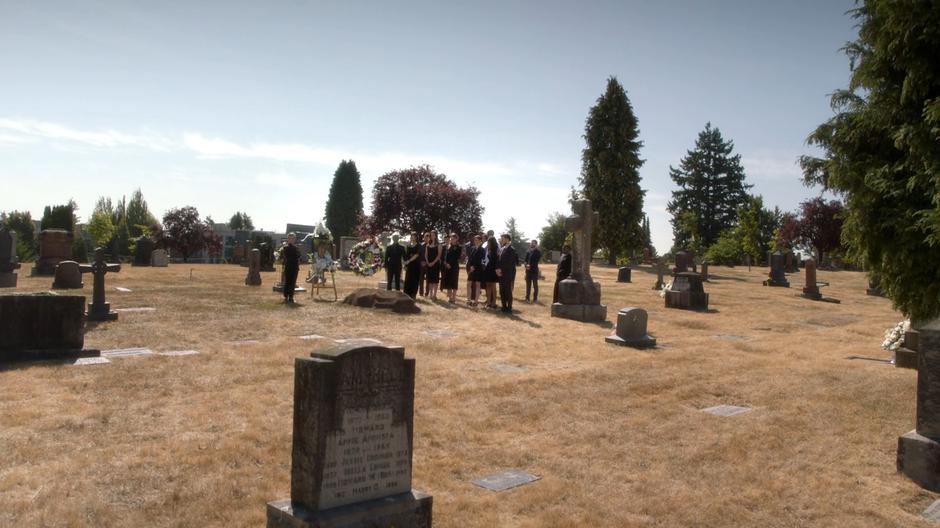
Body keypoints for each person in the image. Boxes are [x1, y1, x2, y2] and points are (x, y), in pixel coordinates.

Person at [496, 233, 518, 313]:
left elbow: (510, 263)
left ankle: (509, 308)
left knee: (508, 291)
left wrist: (502, 270)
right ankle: (503, 306)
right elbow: (499, 260)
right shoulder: (502, 249)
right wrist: (497, 269)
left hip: (508, 274)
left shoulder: (511, 249)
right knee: (502, 291)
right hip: (501, 274)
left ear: (507, 239)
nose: (501, 240)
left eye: (502, 238)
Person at [280, 233, 301, 303]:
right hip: (288, 266)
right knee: (287, 282)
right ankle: (286, 296)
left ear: (295, 239)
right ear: (288, 239)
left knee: (293, 282)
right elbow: (291, 256)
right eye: (290, 238)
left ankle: (291, 297)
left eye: (293, 238)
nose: (292, 240)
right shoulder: (285, 248)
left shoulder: (296, 247)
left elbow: (299, 256)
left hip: (295, 267)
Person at [441, 233, 461, 303]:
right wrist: (445, 263)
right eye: (451, 239)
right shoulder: (448, 247)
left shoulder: (459, 247)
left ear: (456, 239)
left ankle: (454, 298)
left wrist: (450, 264)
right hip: (447, 267)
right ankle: (450, 298)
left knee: (454, 282)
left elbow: (457, 257)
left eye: (453, 239)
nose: (451, 240)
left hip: (454, 267)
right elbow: (445, 256)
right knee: (448, 282)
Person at [466, 234, 484, 306]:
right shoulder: (472, 248)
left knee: (477, 284)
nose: (475, 241)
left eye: (476, 240)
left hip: (478, 269)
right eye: (474, 240)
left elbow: (481, 260)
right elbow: (470, 259)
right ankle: (469, 300)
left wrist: (475, 267)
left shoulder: (482, 250)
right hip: (471, 269)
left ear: (480, 241)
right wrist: (470, 266)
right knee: (469, 284)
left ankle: (476, 301)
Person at [424, 230, 442, 300]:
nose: (432, 236)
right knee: (430, 280)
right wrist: (428, 262)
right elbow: (426, 255)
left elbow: (439, 255)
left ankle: (434, 295)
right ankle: (430, 294)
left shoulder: (439, 245)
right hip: (429, 265)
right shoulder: (428, 245)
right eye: (431, 235)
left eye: (433, 235)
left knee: (435, 281)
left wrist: (433, 263)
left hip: (436, 264)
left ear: (436, 236)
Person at [403, 232, 422, 299]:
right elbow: (406, 256)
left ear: (416, 237)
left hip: (416, 265)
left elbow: (417, 255)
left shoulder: (419, 245)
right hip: (409, 265)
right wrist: (405, 264)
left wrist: (409, 261)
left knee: (415, 280)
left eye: (414, 236)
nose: (412, 237)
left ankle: (413, 294)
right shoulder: (408, 245)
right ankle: (406, 294)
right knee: (408, 279)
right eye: (411, 236)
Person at [482, 236, 499, 309]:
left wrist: (497, 269)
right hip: (488, 269)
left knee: (493, 286)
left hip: (494, 269)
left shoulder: (497, 250)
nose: (487, 243)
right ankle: (488, 302)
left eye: (489, 241)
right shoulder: (488, 249)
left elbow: (497, 260)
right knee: (487, 286)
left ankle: (494, 303)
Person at [524, 239, 542, 303]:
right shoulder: (528, 251)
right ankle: (527, 298)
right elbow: (525, 260)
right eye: (531, 243)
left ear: (536, 244)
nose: (532, 244)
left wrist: (530, 266)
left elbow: (536, 261)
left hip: (534, 270)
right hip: (528, 271)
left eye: (534, 243)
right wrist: (526, 265)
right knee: (528, 285)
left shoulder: (538, 252)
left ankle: (535, 299)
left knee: (535, 285)